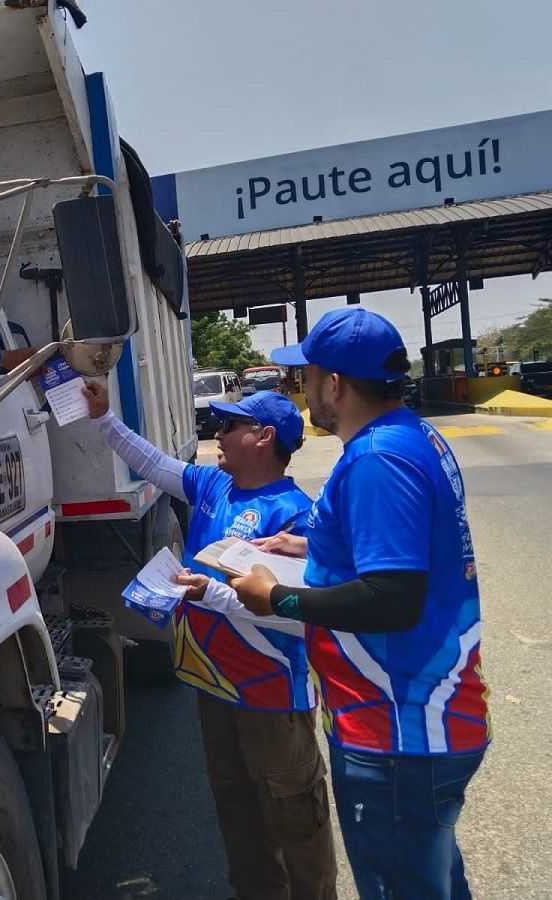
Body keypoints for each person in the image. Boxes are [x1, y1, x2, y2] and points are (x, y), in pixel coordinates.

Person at [228, 307, 490, 899]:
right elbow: (402, 547)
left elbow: (392, 598)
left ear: (336, 385)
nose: (304, 390)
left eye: (308, 376)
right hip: (416, 719)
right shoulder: (408, 436)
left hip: (398, 730)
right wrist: (313, 542)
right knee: (433, 880)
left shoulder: (377, 460)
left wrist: (278, 598)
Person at [82, 381, 337, 900]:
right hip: (214, 689)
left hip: (269, 701)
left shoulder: (293, 513)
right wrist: (104, 419)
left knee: (295, 825)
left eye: (228, 425)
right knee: (238, 815)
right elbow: (152, 464)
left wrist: (213, 595)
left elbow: (300, 618)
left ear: (264, 437)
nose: (216, 433)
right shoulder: (214, 486)